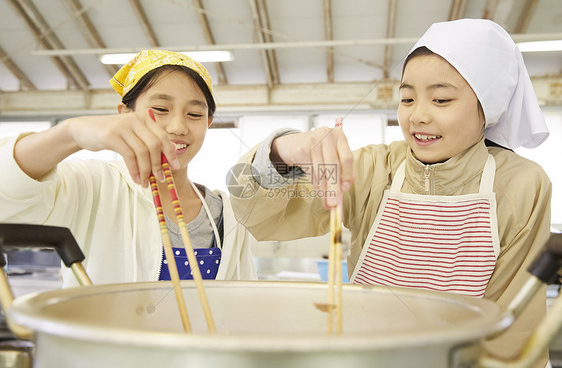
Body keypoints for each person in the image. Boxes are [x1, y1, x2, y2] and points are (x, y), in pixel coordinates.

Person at [229, 19, 551, 365]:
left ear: (489, 107)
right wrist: (283, 151)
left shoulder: (522, 185)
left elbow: (514, 329)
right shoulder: (373, 169)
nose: (418, 116)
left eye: (441, 99)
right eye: (407, 98)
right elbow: (260, 216)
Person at [0, 50, 257, 287]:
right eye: (160, 109)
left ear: (208, 123)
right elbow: (9, 193)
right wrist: (70, 133)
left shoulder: (226, 213)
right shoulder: (95, 185)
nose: (179, 126)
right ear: (124, 113)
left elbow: (243, 304)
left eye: (195, 115)